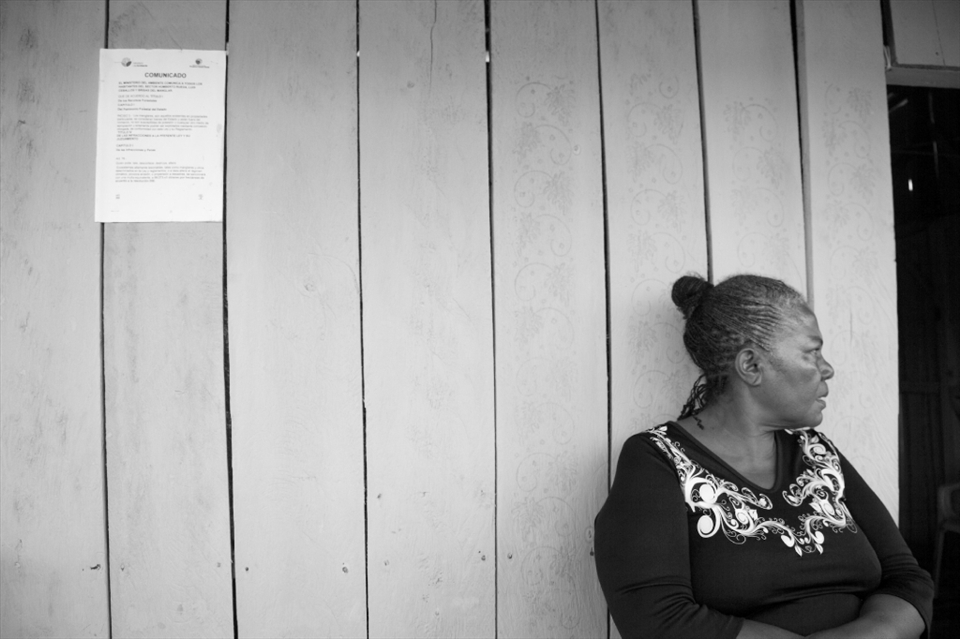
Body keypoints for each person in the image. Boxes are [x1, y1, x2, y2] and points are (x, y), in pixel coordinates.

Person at [595, 274, 934, 638]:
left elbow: (908, 579)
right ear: (752, 366)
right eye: (812, 352)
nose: (827, 369)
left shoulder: (819, 454)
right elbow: (657, 618)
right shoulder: (659, 459)